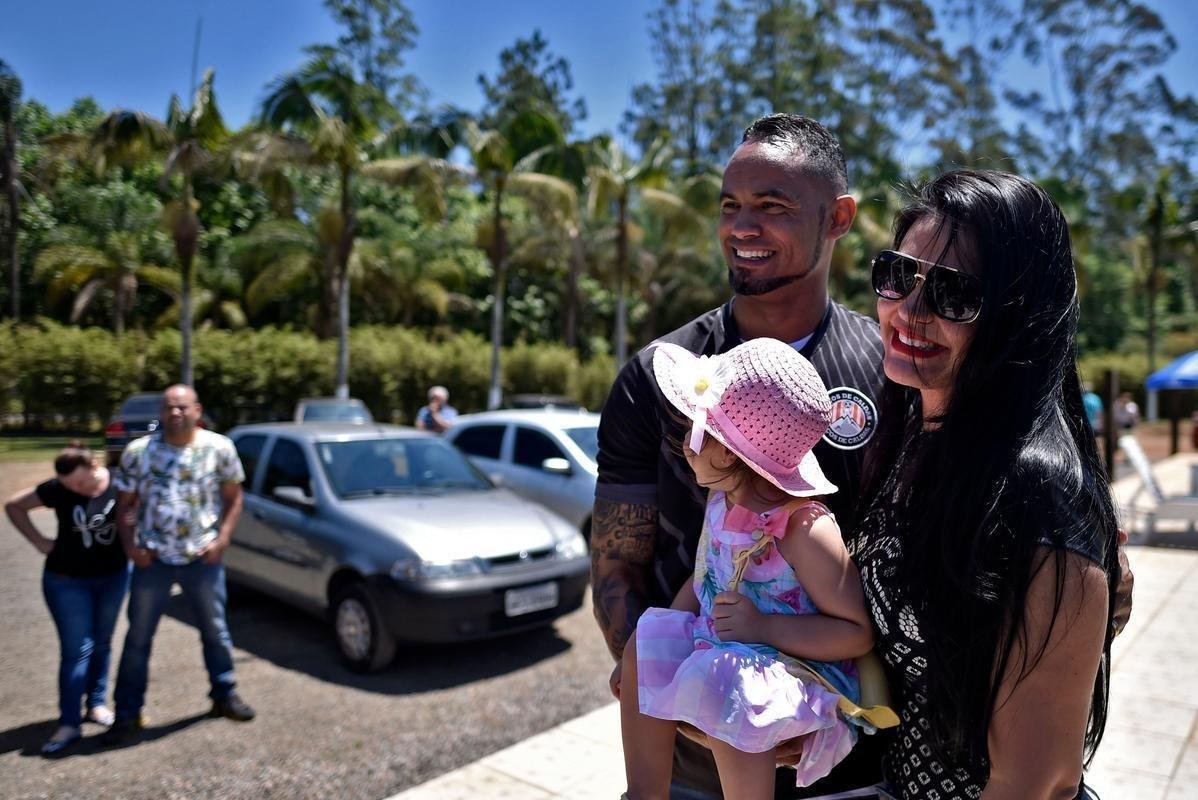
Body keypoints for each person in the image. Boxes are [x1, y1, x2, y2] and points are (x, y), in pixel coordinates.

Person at [594, 114, 889, 798]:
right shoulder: (655, 376)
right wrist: (688, 703)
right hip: (693, 770)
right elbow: (617, 563)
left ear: (839, 217)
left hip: (855, 768)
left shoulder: (892, 371)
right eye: (730, 206)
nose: (741, 227)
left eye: (773, 207)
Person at [852, 169, 1121, 797]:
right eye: (897, 275)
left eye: (953, 293)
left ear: (1016, 318)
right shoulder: (915, 440)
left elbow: (1035, 780)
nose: (909, 311)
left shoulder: (1040, 495)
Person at [621, 338, 881, 799]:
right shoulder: (723, 499)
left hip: (796, 672)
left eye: (694, 431)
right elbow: (706, 577)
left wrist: (762, 626)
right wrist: (653, 648)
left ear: (726, 453)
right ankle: (645, 793)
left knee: (727, 680)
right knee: (648, 636)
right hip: (728, 648)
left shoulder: (804, 529)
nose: (685, 443)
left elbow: (855, 632)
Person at [100, 384, 254, 745]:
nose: (176, 413)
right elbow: (124, 506)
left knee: (215, 631)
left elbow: (234, 498)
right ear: (162, 412)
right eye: (169, 407)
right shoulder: (140, 452)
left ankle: (224, 694)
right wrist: (130, 548)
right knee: (138, 638)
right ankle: (126, 713)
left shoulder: (219, 448)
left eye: (183, 407)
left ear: (197, 410)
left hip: (202, 557)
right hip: (152, 560)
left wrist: (223, 539)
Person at [5, 443, 129, 755]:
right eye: (68, 485)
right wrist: (39, 541)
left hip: (113, 578)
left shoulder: (119, 482)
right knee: (77, 651)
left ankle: (97, 704)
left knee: (103, 643)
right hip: (66, 581)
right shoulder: (57, 489)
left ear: (94, 467)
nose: (75, 490)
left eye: (80, 482)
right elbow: (13, 505)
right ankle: (69, 722)